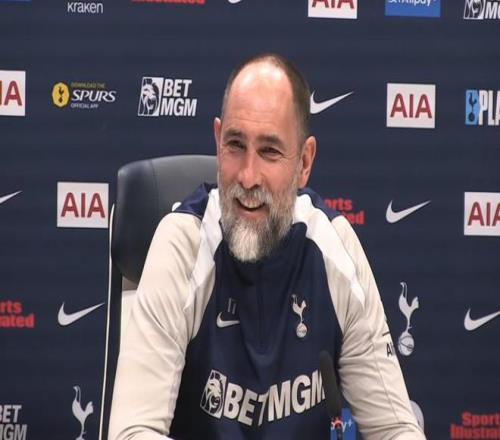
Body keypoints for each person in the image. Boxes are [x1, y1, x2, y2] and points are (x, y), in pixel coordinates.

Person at [108, 53, 426, 440]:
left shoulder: (335, 247)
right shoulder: (182, 245)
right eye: (235, 145)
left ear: (304, 162)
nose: (248, 176)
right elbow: (132, 432)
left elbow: (394, 428)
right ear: (217, 141)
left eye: (270, 151)